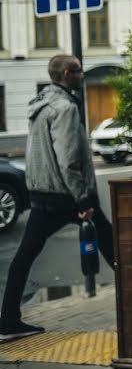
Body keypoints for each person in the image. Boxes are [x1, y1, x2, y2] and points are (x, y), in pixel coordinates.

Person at [0, 55, 115, 341]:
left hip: (42, 193)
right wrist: (83, 200)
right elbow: (68, 159)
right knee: (112, 245)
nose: (82, 75)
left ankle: (7, 320)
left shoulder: (39, 106)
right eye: (78, 71)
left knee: (25, 255)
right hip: (66, 194)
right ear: (66, 73)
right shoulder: (65, 108)